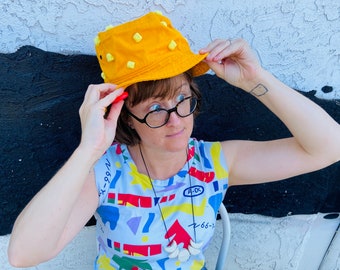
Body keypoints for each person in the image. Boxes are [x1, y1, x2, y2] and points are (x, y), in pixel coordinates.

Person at [8, 11, 340, 270]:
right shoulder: (106, 172)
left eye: (182, 99)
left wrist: (256, 79)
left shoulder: (214, 163)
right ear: (125, 116)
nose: (177, 119)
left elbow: (329, 147)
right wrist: (88, 150)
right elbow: (24, 254)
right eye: (155, 108)